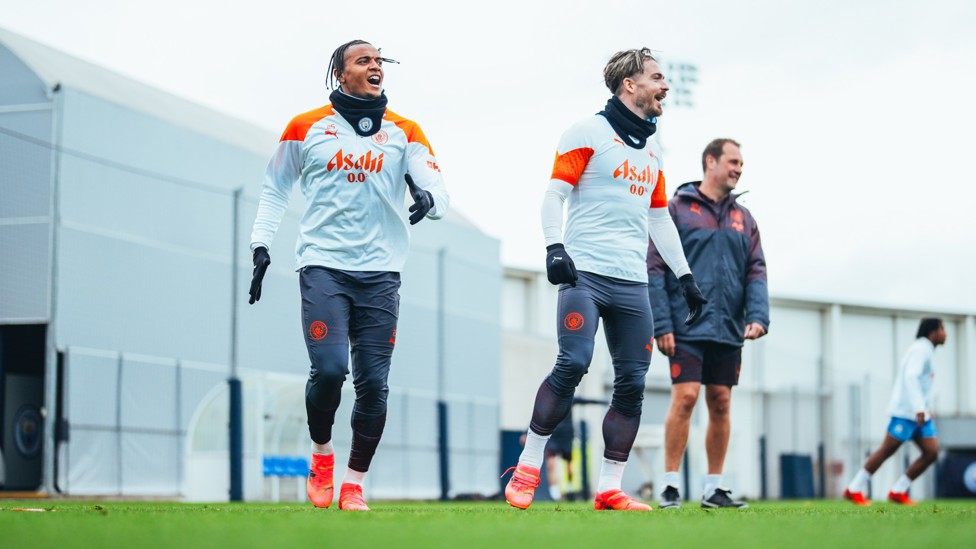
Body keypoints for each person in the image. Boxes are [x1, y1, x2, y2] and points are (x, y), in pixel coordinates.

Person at [247, 40, 449, 511]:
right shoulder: (305, 127)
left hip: (381, 273)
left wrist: (429, 201)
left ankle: (354, 483)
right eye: (364, 61)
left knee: (374, 384)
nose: (376, 66)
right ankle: (321, 458)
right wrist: (260, 245)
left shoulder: (406, 131)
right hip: (323, 266)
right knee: (331, 370)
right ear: (341, 74)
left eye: (380, 61)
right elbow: (274, 189)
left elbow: (438, 190)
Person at [504, 47, 707, 512]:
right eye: (657, 77)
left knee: (632, 381)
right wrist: (554, 246)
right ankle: (529, 463)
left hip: (632, 282)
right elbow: (553, 194)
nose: (666, 86)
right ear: (630, 85)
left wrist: (685, 277)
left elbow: (659, 219)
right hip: (584, 273)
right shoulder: (587, 132)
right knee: (573, 362)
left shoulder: (653, 149)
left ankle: (609, 488)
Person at [647, 138, 769, 509]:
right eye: (733, 161)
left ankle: (713, 489)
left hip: (728, 328)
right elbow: (655, 267)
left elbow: (756, 270)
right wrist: (662, 323)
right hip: (684, 326)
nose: (738, 169)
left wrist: (758, 315)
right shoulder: (677, 211)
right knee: (685, 398)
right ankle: (669, 485)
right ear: (710, 162)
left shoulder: (743, 219)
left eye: (741, 164)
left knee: (720, 402)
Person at [844, 317, 947, 506]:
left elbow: (921, 383)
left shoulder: (928, 351)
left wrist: (925, 407)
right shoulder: (921, 349)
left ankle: (898, 491)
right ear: (933, 332)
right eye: (943, 329)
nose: (945, 333)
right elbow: (911, 376)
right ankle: (854, 489)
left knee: (931, 452)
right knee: (887, 450)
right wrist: (918, 408)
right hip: (906, 413)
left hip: (919, 414)